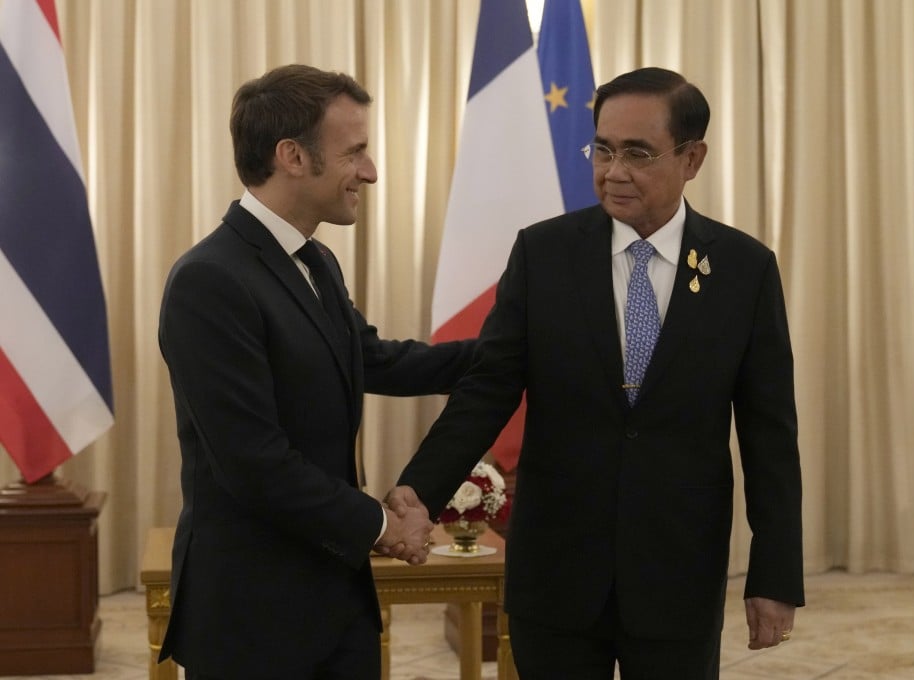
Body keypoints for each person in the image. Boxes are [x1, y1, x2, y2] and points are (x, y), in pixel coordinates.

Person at [390, 67, 804, 679]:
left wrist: (775, 576)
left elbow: (770, 436)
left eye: (638, 153)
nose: (613, 171)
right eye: (603, 149)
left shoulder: (744, 269)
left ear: (692, 158)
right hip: (556, 572)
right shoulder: (543, 254)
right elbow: (486, 391)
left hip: (677, 575)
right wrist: (419, 495)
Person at [157, 64, 476, 680]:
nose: (370, 171)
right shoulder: (210, 280)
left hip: (335, 599)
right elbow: (255, 462)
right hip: (253, 615)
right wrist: (381, 525)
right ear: (293, 157)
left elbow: (373, 358)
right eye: (355, 152)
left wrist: (508, 353)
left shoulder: (315, 259)